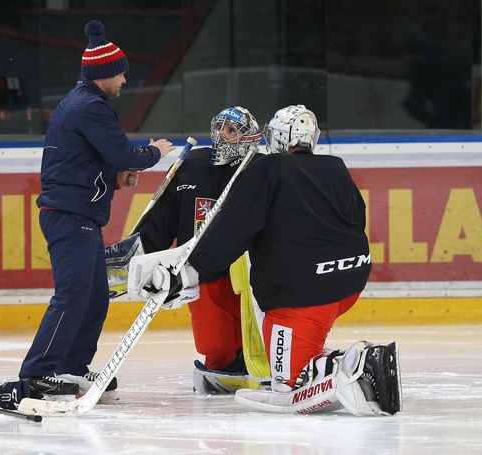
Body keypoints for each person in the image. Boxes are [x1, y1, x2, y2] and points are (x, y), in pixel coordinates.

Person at [134, 105, 401, 416]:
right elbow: (356, 219)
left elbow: (233, 231)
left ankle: (357, 364)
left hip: (299, 298)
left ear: (276, 136)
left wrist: (189, 272)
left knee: (286, 386)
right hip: (349, 284)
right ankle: (329, 362)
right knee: (300, 352)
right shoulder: (335, 167)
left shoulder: (266, 170)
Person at [0, 20, 174, 411]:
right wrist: (154, 151)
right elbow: (124, 152)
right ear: (106, 73)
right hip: (68, 215)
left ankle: (71, 366)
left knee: (94, 297)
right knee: (75, 294)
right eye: (121, 72)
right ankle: (39, 372)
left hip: (79, 215)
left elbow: (90, 157)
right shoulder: (90, 106)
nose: (125, 78)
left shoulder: (85, 103)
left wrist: (114, 175)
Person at [133, 106, 265, 393]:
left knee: (257, 327)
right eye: (219, 128)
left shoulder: (260, 168)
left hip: (250, 266)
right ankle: (224, 366)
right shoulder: (192, 163)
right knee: (215, 343)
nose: (222, 135)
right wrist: (139, 254)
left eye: (231, 131)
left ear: (250, 137)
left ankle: (260, 365)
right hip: (199, 267)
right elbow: (163, 218)